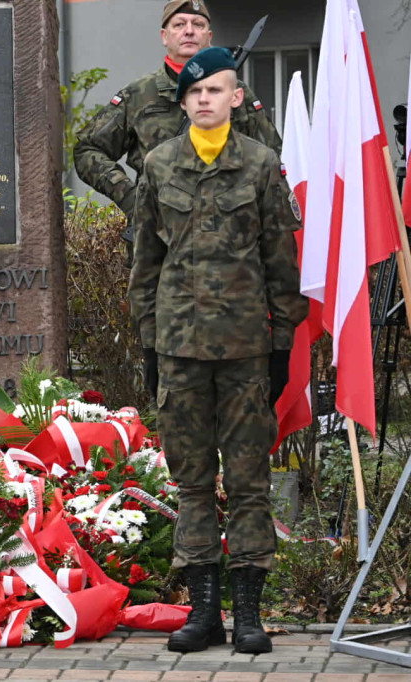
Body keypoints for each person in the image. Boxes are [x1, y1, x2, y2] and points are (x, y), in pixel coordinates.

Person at [127, 47, 307, 654]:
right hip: (179, 347)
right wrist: (149, 341)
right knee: (193, 482)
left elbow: (281, 261)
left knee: (251, 481)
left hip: (244, 349)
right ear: (184, 101)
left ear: (236, 98)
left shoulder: (260, 165)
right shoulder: (157, 164)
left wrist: (283, 341)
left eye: (216, 90)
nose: (204, 100)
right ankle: (203, 612)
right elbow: (145, 264)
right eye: (194, 92)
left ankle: (249, 613)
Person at [75, 0, 281, 223]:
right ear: (164, 36)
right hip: (158, 235)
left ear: (209, 36)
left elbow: (272, 156)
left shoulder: (236, 94)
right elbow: (87, 149)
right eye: (180, 24)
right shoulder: (139, 95)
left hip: (227, 237)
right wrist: (130, 198)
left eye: (198, 24)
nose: (189, 31)